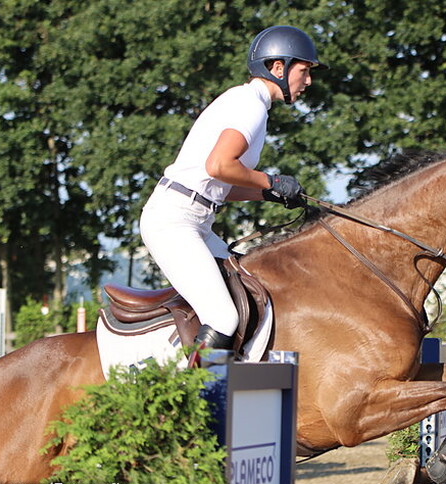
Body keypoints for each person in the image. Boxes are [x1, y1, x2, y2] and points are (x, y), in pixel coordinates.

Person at [139, 25, 328, 351]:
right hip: (173, 222)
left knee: (252, 286)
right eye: (304, 71)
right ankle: (198, 384)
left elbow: (221, 186)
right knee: (223, 318)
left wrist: (270, 194)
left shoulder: (252, 103)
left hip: (196, 218)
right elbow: (219, 165)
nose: (308, 81)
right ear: (278, 67)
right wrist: (271, 181)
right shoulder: (249, 105)